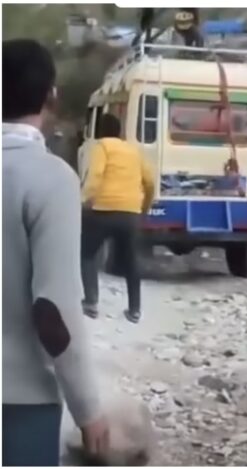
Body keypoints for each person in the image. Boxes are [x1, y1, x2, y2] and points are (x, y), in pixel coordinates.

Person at [2, 38, 109, 466]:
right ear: (51, 95)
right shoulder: (50, 179)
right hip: (20, 406)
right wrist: (88, 408)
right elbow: (54, 311)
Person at [80, 113, 155, 324]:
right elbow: (149, 182)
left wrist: (84, 199)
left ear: (101, 131)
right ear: (120, 131)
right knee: (131, 260)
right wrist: (144, 207)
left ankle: (91, 302)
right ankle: (134, 310)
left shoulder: (102, 146)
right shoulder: (133, 150)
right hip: (130, 212)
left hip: (102, 210)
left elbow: (95, 175)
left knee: (87, 254)